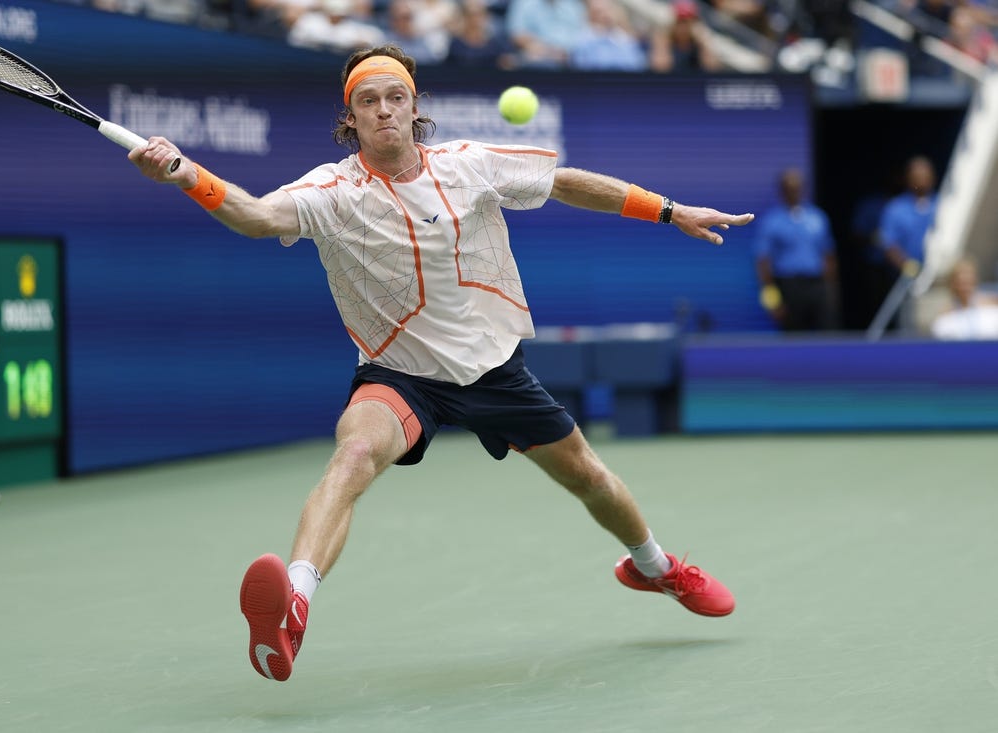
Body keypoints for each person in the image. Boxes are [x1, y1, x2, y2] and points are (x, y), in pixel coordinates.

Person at [129, 44, 753, 681]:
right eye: (367, 101)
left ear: (413, 105)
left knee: (589, 477)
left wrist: (670, 211)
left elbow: (564, 182)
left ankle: (655, 568)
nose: (383, 111)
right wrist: (187, 175)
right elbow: (257, 216)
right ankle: (293, 603)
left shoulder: (467, 165)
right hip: (399, 374)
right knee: (352, 457)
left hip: (492, 369)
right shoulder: (331, 190)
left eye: (393, 97)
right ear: (351, 118)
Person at [753, 167, 839, 331]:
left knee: (826, 333)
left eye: (797, 187)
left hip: (816, 284)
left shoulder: (818, 217)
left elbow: (829, 256)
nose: (794, 191)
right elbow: (763, 261)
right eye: (789, 188)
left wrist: (831, 290)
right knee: (793, 336)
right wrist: (772, 298)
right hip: (789, 286)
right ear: (782, 190)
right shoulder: (772, 221)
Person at [877, 155, 938, 331]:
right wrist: (906, 265)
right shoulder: (895, 208)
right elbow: (887, 243)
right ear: (908, 179)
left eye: (925, 176)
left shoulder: (942, 204)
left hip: (938, 279)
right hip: (906, 279)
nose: (921, 181)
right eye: (916, 177)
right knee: (909, 325)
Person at [930, 257, 998, 339]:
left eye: (969, 282)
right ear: (953, 284)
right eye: (961, 283)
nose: (965, 288)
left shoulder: (991, 310)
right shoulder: (944, 319)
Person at [650, 0, 722, 73]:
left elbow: (713, 69)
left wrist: (704, 43)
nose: (684, 27)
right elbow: (661, 69)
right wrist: (663, 46)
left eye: (688, 22)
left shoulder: (698, 42)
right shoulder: (665, 39)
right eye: (680, 21)